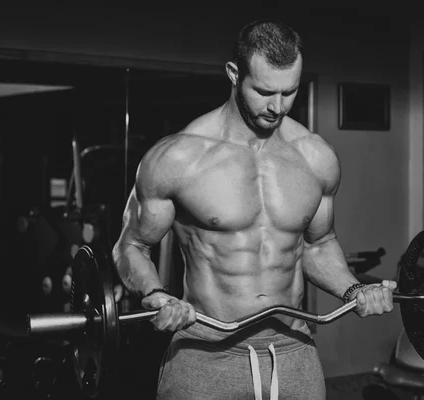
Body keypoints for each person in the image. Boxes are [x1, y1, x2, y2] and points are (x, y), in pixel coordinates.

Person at [112, 19, 397, 400]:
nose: (277, 107)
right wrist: (157, 294)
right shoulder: (179, 158)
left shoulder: (315, 157)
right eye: (264, 91)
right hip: (205, 355)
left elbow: (318, 245)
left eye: (289, 92)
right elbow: (130, 247)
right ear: (234, 74)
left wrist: (355, 290)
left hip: (294, 352)